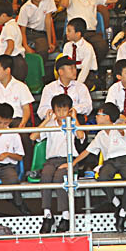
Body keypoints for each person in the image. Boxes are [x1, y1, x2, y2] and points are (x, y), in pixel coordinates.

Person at [72, 102, 126, 231]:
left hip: (125, 159)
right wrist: (73, 163)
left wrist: (118, 118)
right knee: (102, 178)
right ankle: (117, 203)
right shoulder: (100, 135)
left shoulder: (118, 128)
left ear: (107, 117)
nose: (96, 117)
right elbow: (87, 151)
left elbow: (122, 122)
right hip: (110, 162)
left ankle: (123, 213)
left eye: (98, 114)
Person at [34, 93, 85, 233]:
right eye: (58, 110)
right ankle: (47, 215)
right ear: (53, 110)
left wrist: (74, 119)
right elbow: (33, 136)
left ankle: (65, 216)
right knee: (45, 177)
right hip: (51, 161)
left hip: (68, 161)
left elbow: (81, 136)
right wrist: (46, 120)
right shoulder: (50, 124)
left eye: (64, 110)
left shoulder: (72, 124)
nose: (61, 113)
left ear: (69, 110)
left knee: (59, 178)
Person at [59, 17, 99, 91]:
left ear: (78, 34)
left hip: (87, 74)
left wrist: (77, 85)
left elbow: (85, 69)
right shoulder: (67, 46)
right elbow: (65, 64)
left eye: (69, 31)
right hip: (71, 72)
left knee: (82, 88)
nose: (66, 33)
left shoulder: (87, 47)